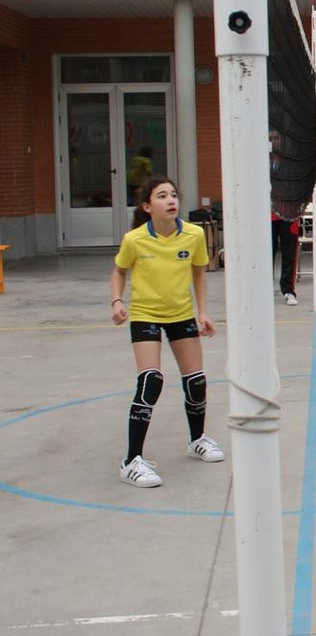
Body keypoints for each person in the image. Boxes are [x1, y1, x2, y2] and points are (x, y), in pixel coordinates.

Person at [110, 175, 224, 488]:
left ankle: (197, 439)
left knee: (196, 382)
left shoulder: (194, 234)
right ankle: (132, 460)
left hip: (180, 314)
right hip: (145, 314)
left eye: (173, 194)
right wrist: (117, 301)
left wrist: (202, 312)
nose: (171, 200)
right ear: (147, 206)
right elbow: (119, 271)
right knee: (151, 381)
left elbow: (199, 274)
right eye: (162, 196)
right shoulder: (134, 239)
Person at [269, 129, 299, 306]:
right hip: (268, 214)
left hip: (288, 212)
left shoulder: (290, 161)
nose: (273, 142)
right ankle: (266, 287)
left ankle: (288, 290)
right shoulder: (260, 161)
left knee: (289, 253)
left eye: (276, 138)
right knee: (267, 253)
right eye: (270, 139)